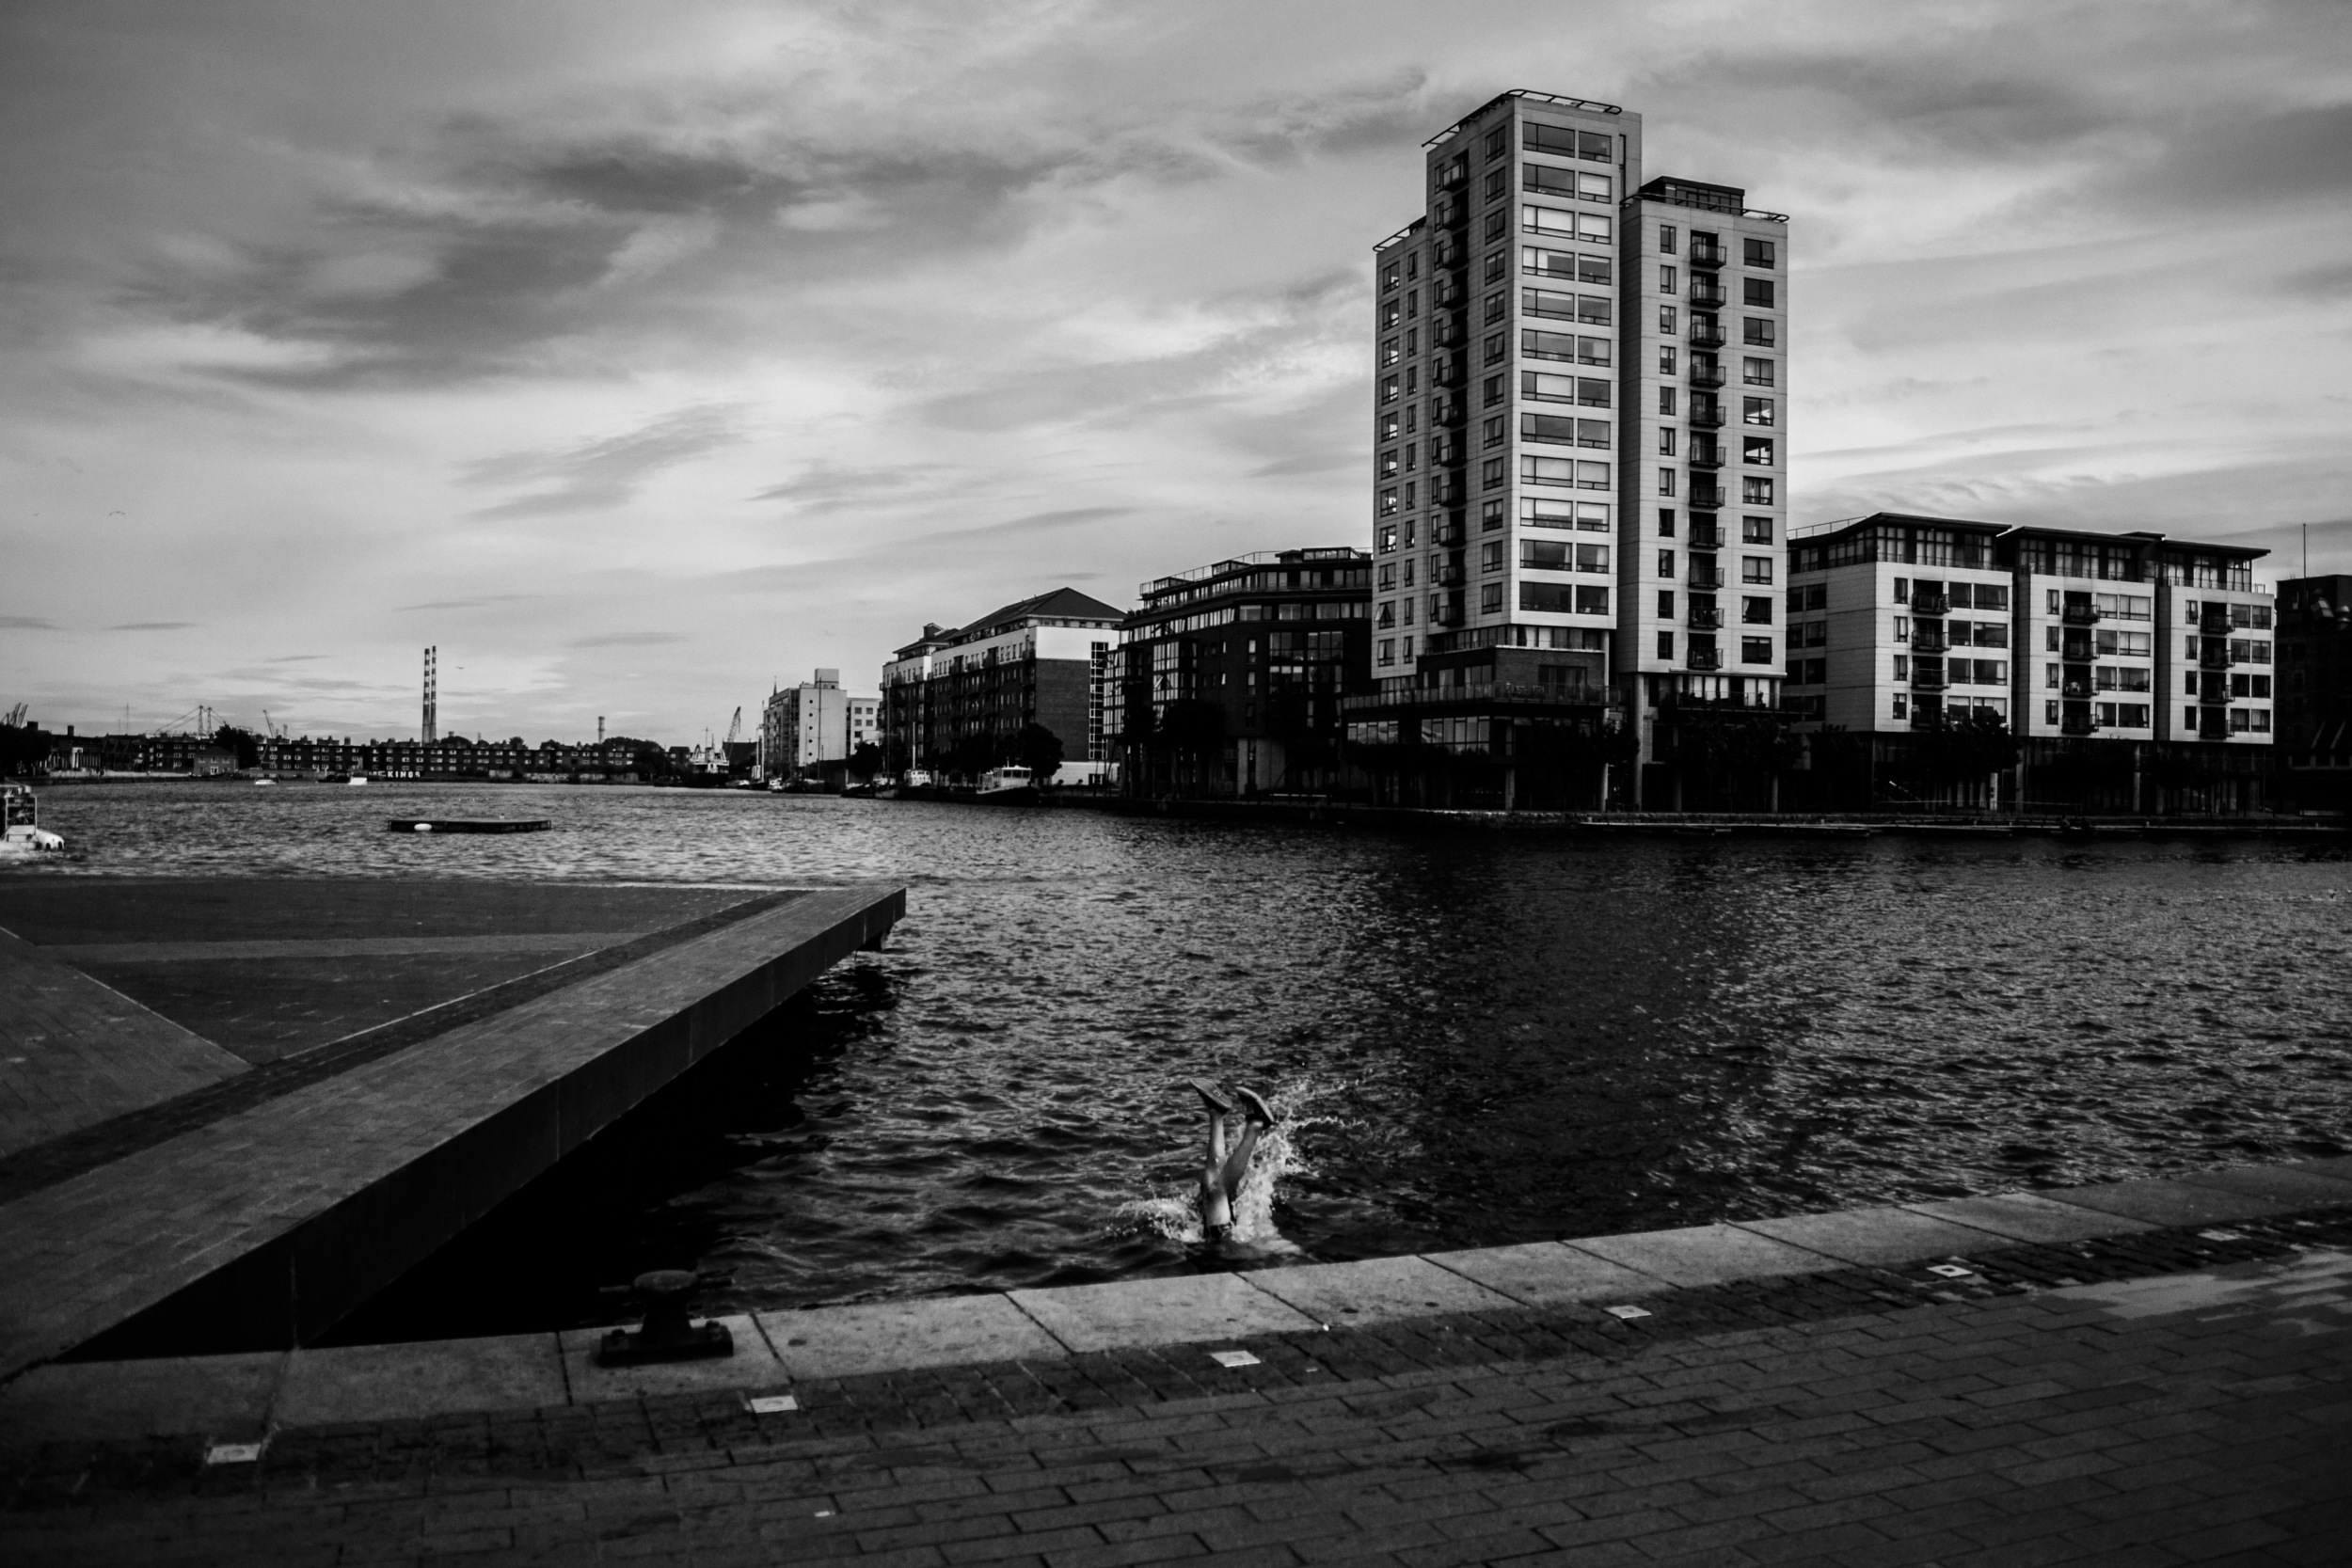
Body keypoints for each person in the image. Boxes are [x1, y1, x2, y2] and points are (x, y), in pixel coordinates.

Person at [1189, 1080, 1276, 1243]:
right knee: (1216, 1191)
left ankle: (1217, 1115)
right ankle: (1255, 1124)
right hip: (1225, 1247)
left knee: (1210, 1188)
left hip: (1219, 1248)